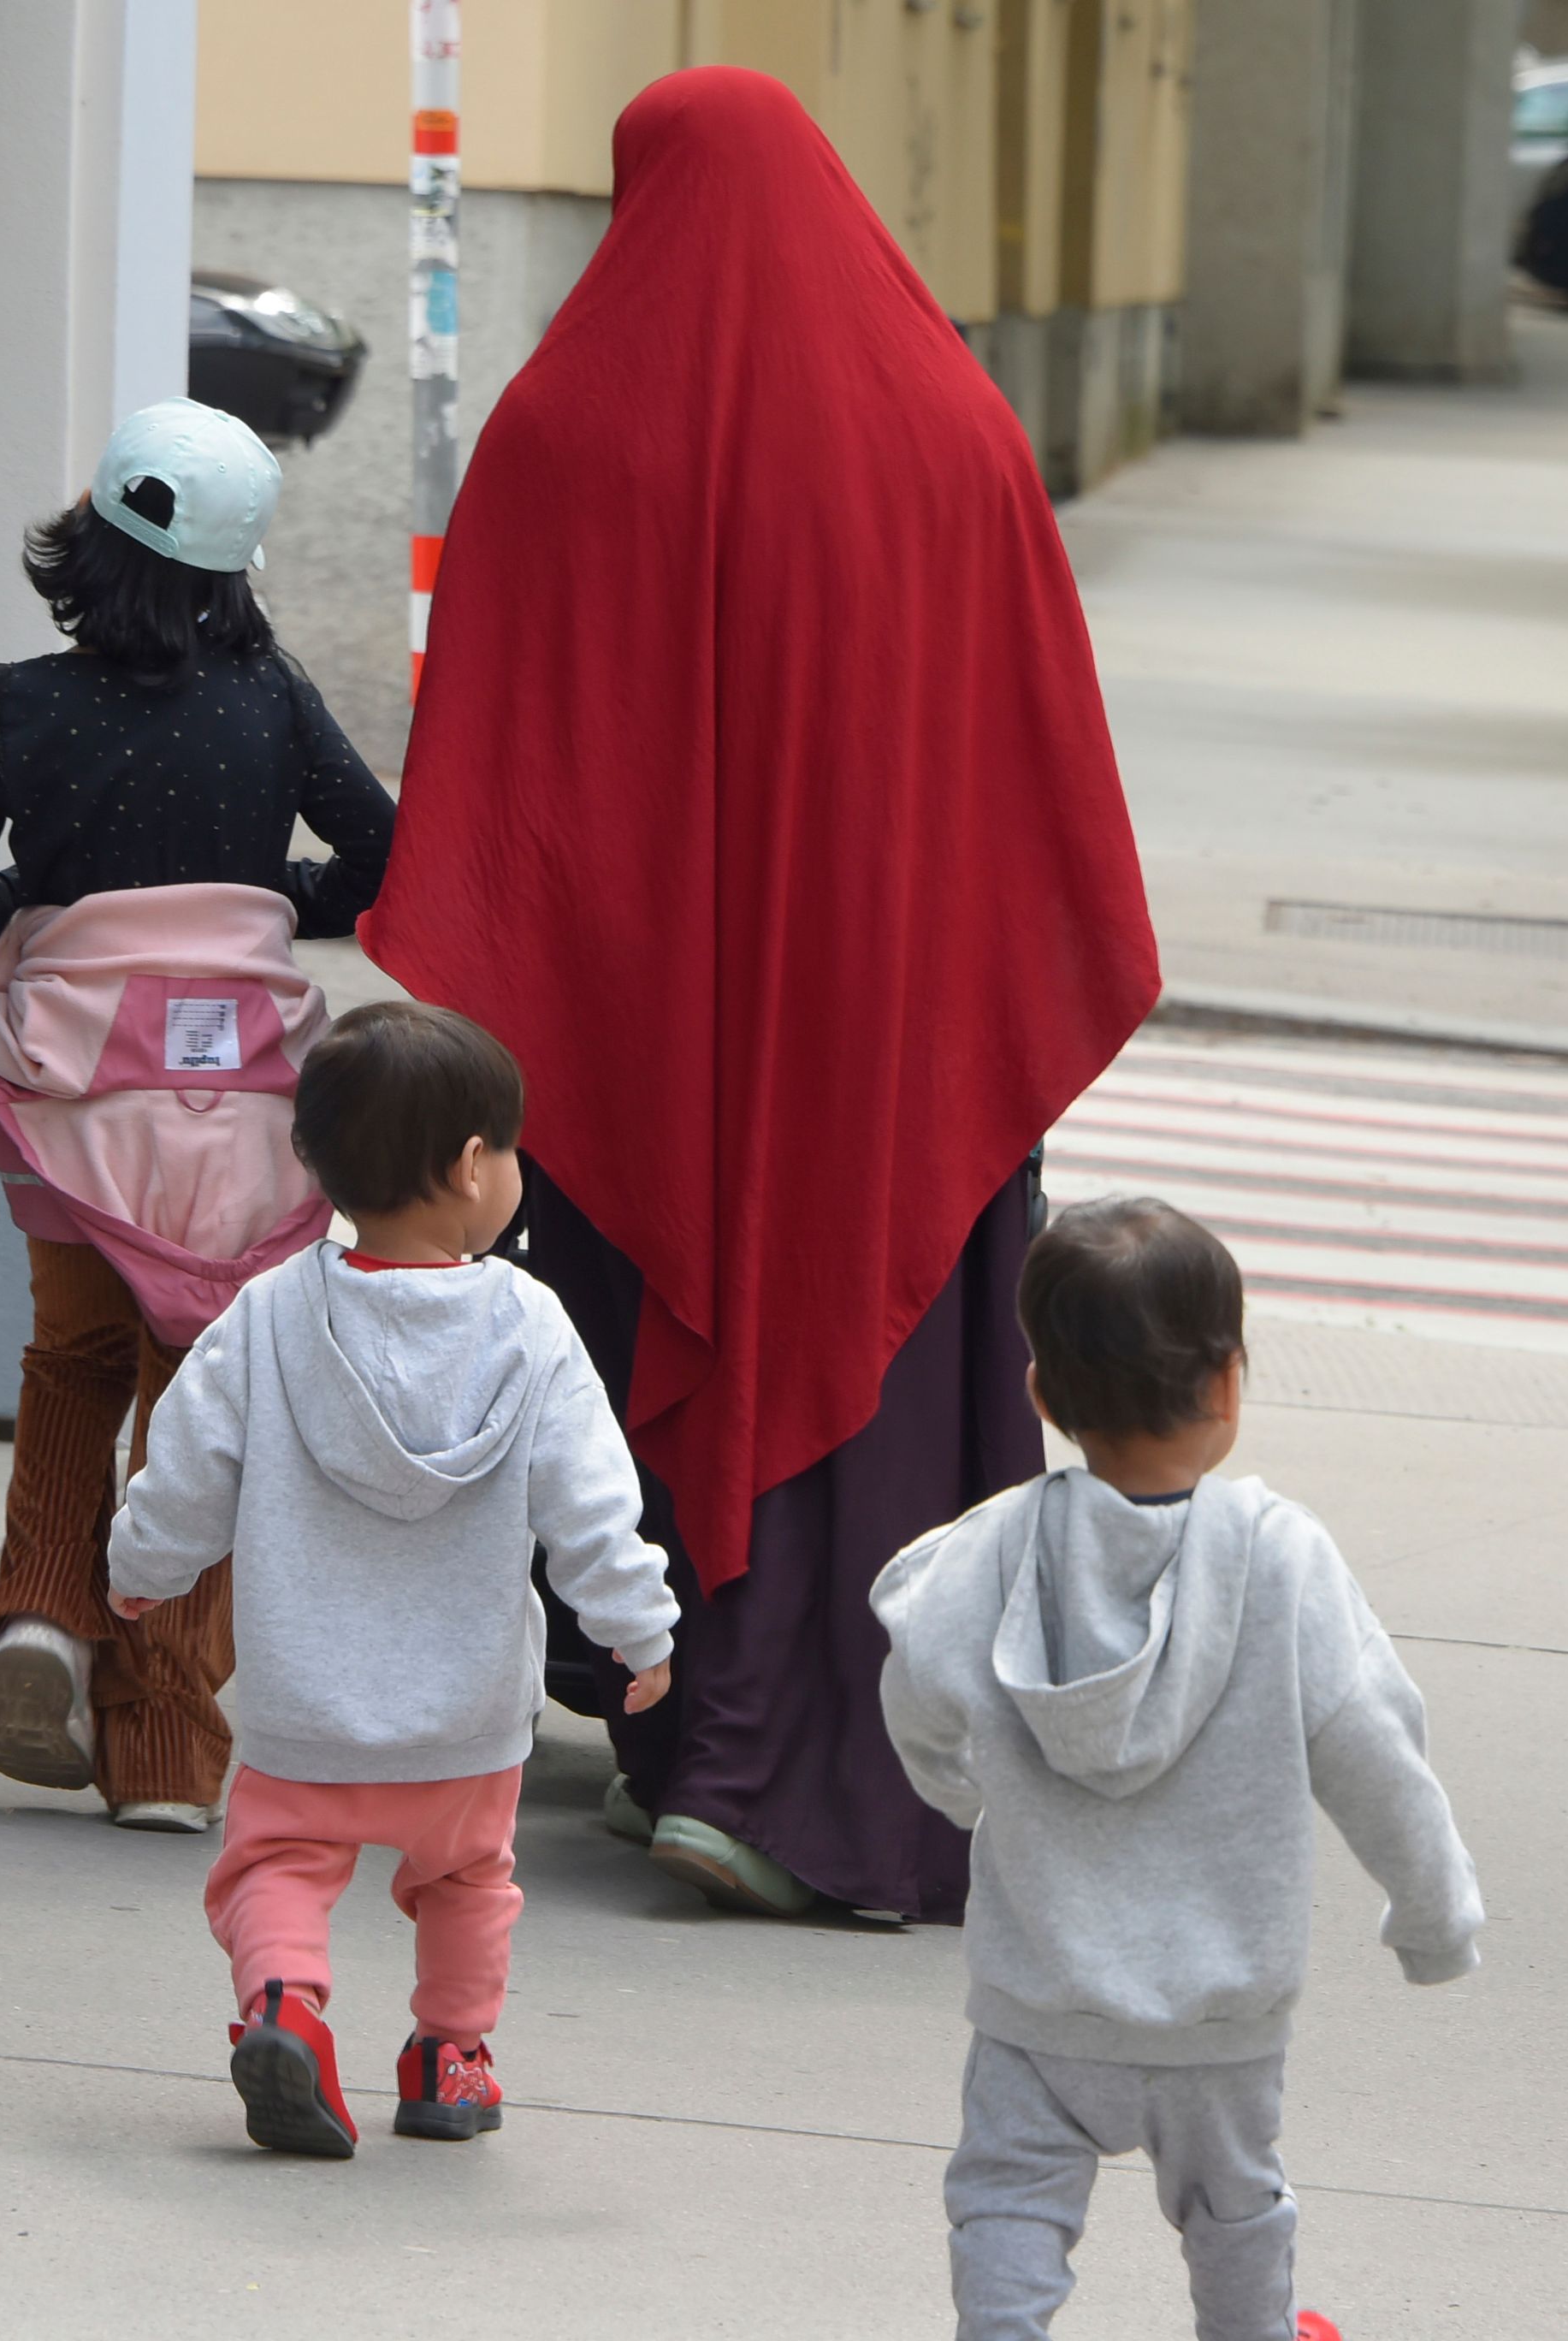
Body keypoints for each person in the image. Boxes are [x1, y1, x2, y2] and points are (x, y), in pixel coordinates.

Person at [356, 67, 1161, 1923]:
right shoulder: (952, 426)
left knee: (655, 1332)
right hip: (899, 1041)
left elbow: (516, 777)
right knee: (880, 1373)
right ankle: (849, 1782)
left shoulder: (571, 423)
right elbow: (1031, 762)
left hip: (661, 1050)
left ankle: (694, 1743)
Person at [0, 398, 395, 1828]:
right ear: (237, 567)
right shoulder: (273, 701)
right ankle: (166, 1743)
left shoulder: (13, 704)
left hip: (77, 1104)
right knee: (207, 1389)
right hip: (239, 1110)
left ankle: (44, 1610)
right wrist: (270, 893)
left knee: (75, 1354)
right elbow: (379, 856)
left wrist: (52, 901)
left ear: (90, 536)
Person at [870, 1197, 1483, 2341]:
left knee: (1006, 2198)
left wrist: (962, 1793)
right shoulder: (1280, 1561)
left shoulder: (991, 1550)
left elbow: (917, 1694)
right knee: (1235, 2205)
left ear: (1043, 1394)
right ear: (1230, 1385)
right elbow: (1373, 1747)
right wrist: (1434, 1914)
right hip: (1220, 2013)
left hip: (1040, 1995)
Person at [103, 1003, 678, 2158]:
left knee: (273, 1862)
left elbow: (185, 1468)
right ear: (474, 1167)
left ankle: (284, 2009)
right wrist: (639, 1632)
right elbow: (590, 1506)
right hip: (465, 1718)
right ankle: (449, 2059)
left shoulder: (267, 1316)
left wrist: (142, 1574)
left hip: (303, 1704)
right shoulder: (530, 1326)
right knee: (469, 1881)